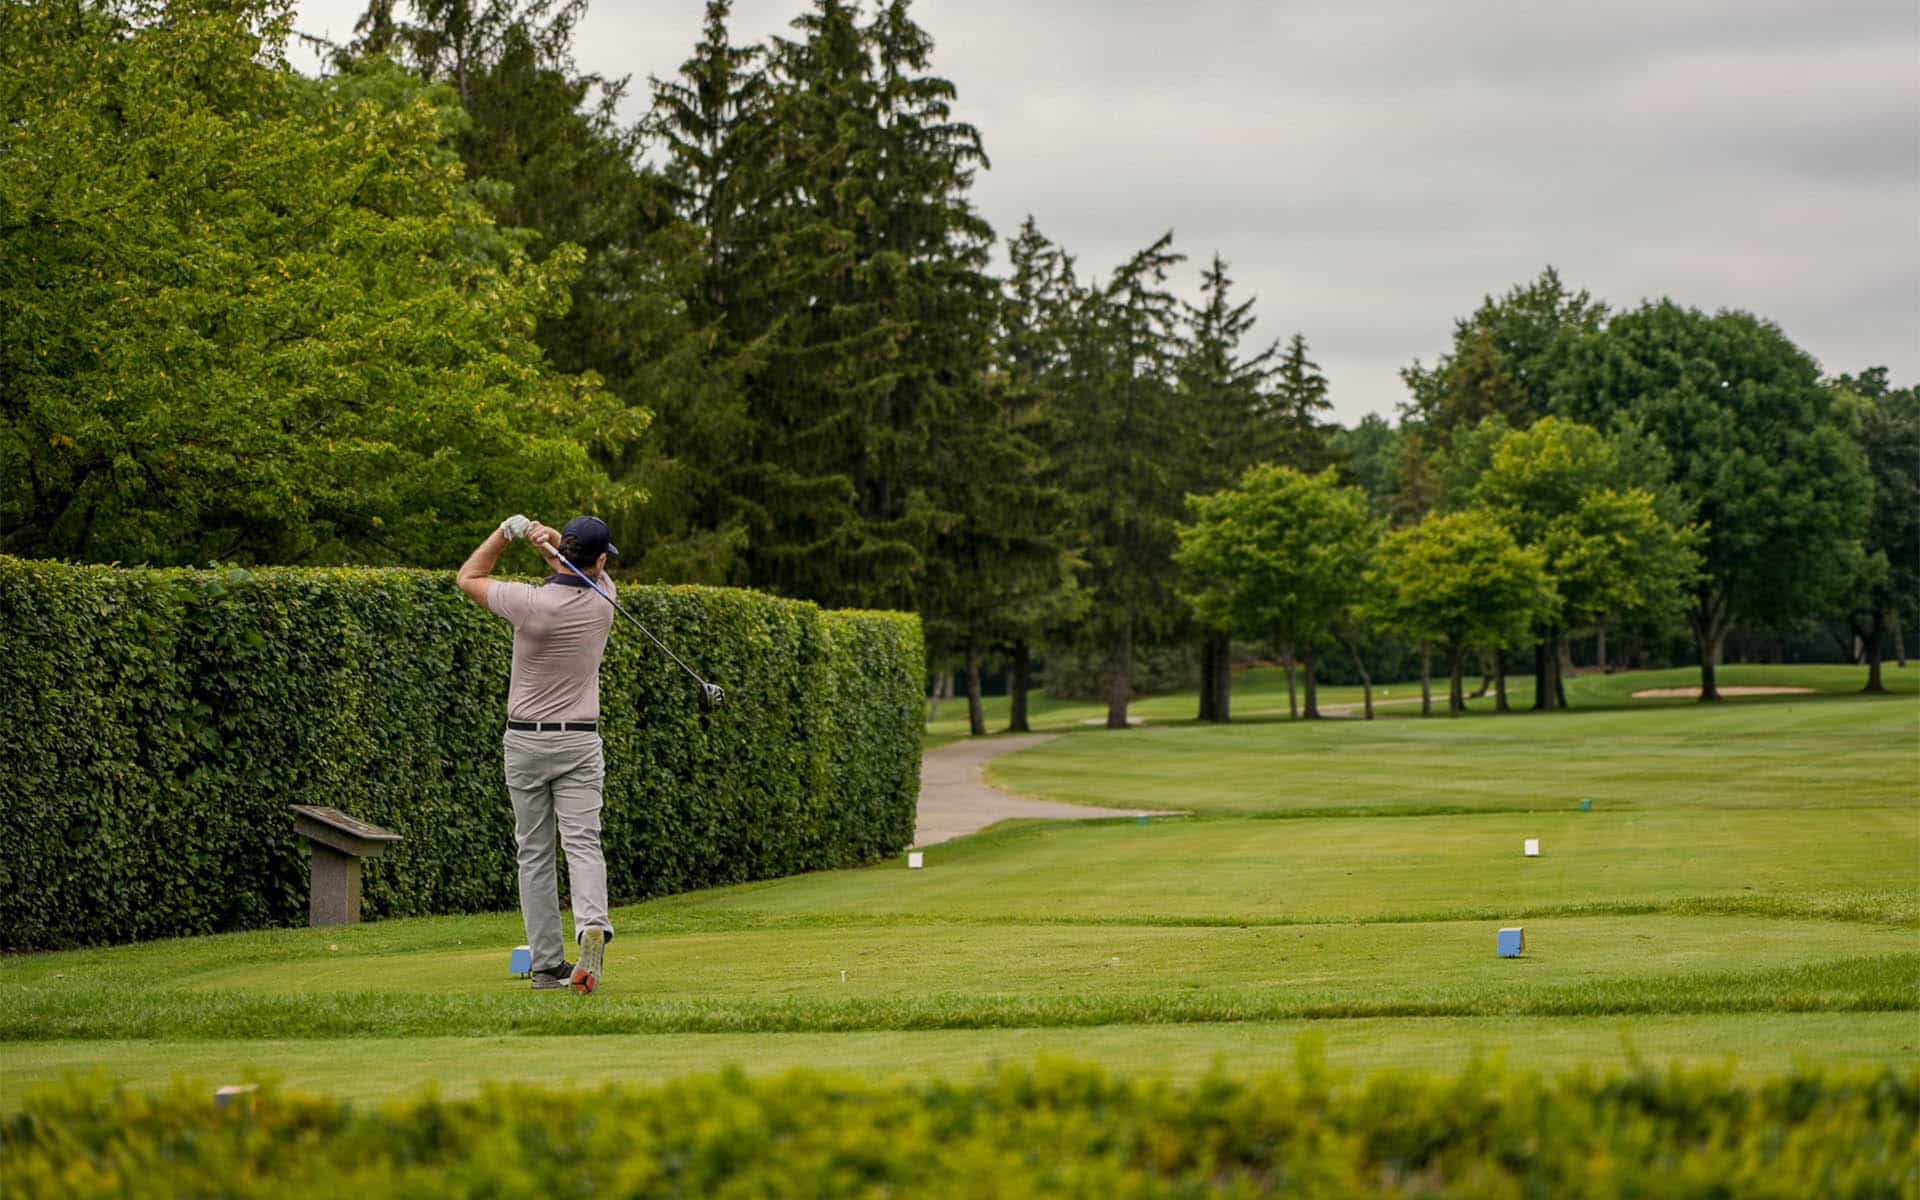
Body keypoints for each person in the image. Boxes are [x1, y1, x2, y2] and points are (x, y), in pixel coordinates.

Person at [456, 513, 620, 994]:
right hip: (580, 740)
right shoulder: (605, 598)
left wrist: (504, 535)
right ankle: (592, 923)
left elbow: (469, 576)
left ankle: (547, 965)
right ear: (601, 559)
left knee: (534, 852)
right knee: (583, 843)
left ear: (565, 552)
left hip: (526, 741)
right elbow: (580, 573)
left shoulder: (529, 603)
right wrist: (548, 544)